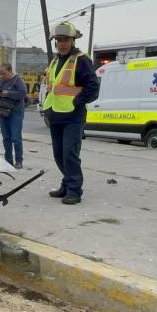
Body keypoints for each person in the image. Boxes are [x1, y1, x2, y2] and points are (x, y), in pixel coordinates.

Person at [42, 22, 99, 205]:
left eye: (65, 39)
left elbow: (92, 88)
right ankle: (66, 183)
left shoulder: (82, 60)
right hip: (55, 114)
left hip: (73, 116)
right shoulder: (55, 61)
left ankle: (74, 190)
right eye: (59, 40)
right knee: (58, 154)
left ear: (72, 40)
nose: (62, 43)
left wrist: (77, 102)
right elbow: (53, 88)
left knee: (69, 154)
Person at [0, 63, 27, 168]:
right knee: (6, 138)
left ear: (10, 71)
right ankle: (8, 161)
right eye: (1, 74)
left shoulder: (18, 81)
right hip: (3, 112)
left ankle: (19, 161)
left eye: (3, 73)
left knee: (16, 137)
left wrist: (8, 93)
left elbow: (22, 94)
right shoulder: (1, 82)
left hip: (15, 113)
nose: (2, 76)